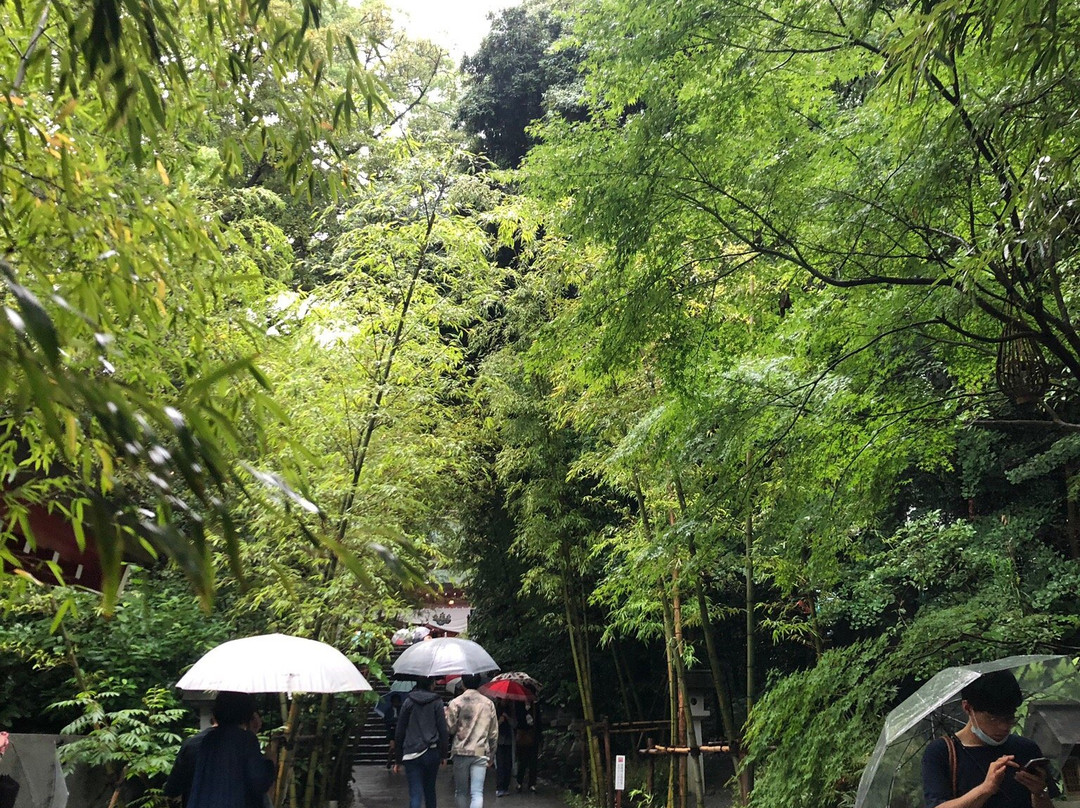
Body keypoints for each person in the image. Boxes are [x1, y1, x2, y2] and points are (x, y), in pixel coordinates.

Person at [922, 670, 1057, 808]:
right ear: (968, 708)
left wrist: (1039, 793)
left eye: (1010, 718)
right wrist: (986, 789)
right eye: (993, 718)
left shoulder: (1026, 748)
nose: (1004, 726)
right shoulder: (942, 752)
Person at [164, 691, 276, 808]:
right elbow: (259, 782)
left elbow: (173, 789)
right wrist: (270, 762)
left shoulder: (206, 740)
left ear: (215, 712)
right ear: (247, 715)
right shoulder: (245, 740)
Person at [394, 677, 450, 808]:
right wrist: (443, 754)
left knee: (415, 793)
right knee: (430, 790)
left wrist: (398, 759)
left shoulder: (408, 702)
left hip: (411, 753)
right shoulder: (437, 702)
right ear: (431, 684)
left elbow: (400, 730)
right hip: (431, 752)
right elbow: (443, 730)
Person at [445, 674, 499, 808]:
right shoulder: (488, 703)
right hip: (480, 749)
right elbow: (493, 732)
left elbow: (450, 729)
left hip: (461, 749)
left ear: (462, 683)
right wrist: (492, 754)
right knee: (477, 792)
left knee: (461, 791)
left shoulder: (456, 702)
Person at [514, 694, 541, 793]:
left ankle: (532, 783)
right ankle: (519, 781)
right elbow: (517, 719)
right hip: (523, 735)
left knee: (533, 761)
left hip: (533, 736)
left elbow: (539, 721)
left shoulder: (535, 705)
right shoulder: (518, 704)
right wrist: (526, 715)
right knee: (522, 760)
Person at [494, 700, 515, 797]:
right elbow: (492, 726)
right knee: (500, 764)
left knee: (508, 764)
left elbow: (515, 724)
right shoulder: (495, 710)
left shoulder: (511, 710)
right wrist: (499, 721)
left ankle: (506, 786)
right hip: (499, 740)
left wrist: (508, 718)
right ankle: (499, 787)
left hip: (508, 740)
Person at [384, 692, 404, 770]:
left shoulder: (402, 709)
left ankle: (397, 762)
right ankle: (389, 760)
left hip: (399, 730)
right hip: (391, 731)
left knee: (399, 747)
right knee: (392, 747)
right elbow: (386, 720)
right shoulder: (388, 711)